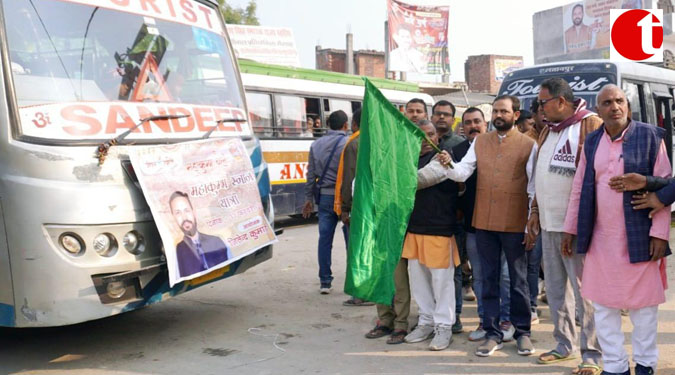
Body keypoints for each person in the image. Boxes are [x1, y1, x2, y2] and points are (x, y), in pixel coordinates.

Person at [563, 84, 671, 375]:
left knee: (644, 310)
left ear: (628, 105)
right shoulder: (593, 142)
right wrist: (570, 228)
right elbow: (578, 188)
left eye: (619, 101)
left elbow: (665, 185)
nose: (615, 107)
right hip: (600, 240)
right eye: (607, 102)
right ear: (599, 110)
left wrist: (660, 234)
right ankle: (614, 366)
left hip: (640, 237)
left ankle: (645, 364)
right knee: (604, 308)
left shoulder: (650, 137)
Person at [421, 95, 537, 357]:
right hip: (483, 222)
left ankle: (522, 333)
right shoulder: (480, 143)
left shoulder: (529, 145)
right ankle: (492, 332)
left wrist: (532, 220)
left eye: (504, 111)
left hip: (515, 222)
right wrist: (447, 164)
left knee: (518, 281)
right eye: (495, 111)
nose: (499, 115)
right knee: (487, 280)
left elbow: (532, 187)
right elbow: (462, 172)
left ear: (515, 115)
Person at [526, 78, 603, 375]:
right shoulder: (548, 130)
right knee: (557, 291)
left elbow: (596, 177)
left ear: (561, 101)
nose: (539, 109)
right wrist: (534, 211)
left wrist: (579, 225)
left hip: (578, 228)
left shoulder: (589, 125)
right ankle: (563, 344)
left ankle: (592, 353)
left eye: (543, 102)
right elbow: (540, 178)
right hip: (549, 224)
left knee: (585, 293)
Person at [365, 98, 424, 344]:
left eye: (419, 111)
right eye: (410, 111)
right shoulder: (390, 144)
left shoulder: (426, 144)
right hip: (386, 219)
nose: (414, 115)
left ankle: (402, 324)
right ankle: (384, 321)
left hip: (415, 223)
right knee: (384, 275)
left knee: (404, 281)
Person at [403, 120, 460, 351]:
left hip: (439, 230)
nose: (426, 140)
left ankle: (444, 326)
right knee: (419, 282)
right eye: (420, 136)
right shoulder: (409, 160)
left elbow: (418, 180)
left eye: (430, 134)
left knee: (442, 283)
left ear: (437, 136)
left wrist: (394, 178)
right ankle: (426, 321)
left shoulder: (444, 159)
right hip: (414, 229)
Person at [450, 107, 489, 342]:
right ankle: (485, 321)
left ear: (486, 124)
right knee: (480, 277)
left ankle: (507, 321)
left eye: (477, 121)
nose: (473, 126)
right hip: (472, 226)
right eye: (468, 123)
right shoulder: (456, 152)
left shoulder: (497, 147)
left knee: (505, 278)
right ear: (462, 127)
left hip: (501, 227)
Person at [303, 110, 349, 294]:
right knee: (350, 240)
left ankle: (325, 282)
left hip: (324, 197)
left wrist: (308, 198)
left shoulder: (316, 144)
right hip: (344, 198)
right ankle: (353, 282)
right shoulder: (348, 143)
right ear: (345, 125)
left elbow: (310, 175)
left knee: (324, 239)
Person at [333, 108, 372, 307]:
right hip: (377, 207)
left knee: (358, 251)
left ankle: (362, 294)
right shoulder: (380, 142)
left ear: (355, 124)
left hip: (360, 207)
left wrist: (345, 208)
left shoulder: (354, 144)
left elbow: (349, 178)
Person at [169, 191, 232, 278]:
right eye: (178, 213)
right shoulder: (176, 252)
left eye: (187, 210)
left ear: (194, 212)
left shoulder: (217, 241)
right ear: (173, 217)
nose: (184, 218)